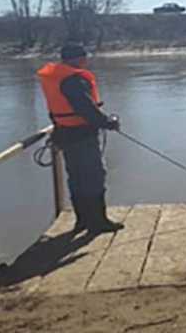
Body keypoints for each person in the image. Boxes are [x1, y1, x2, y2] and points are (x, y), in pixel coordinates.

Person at [37, 44, 124, 234]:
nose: (86, 60)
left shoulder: (56, 77)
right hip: (82, 135)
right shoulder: (73, 80)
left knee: (76, 178)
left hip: (64, 134)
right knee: (94, 177)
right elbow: (86, 109)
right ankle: (99, 222)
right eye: (84, 57)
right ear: (77, 58)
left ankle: (83, 220)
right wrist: (109, 122)